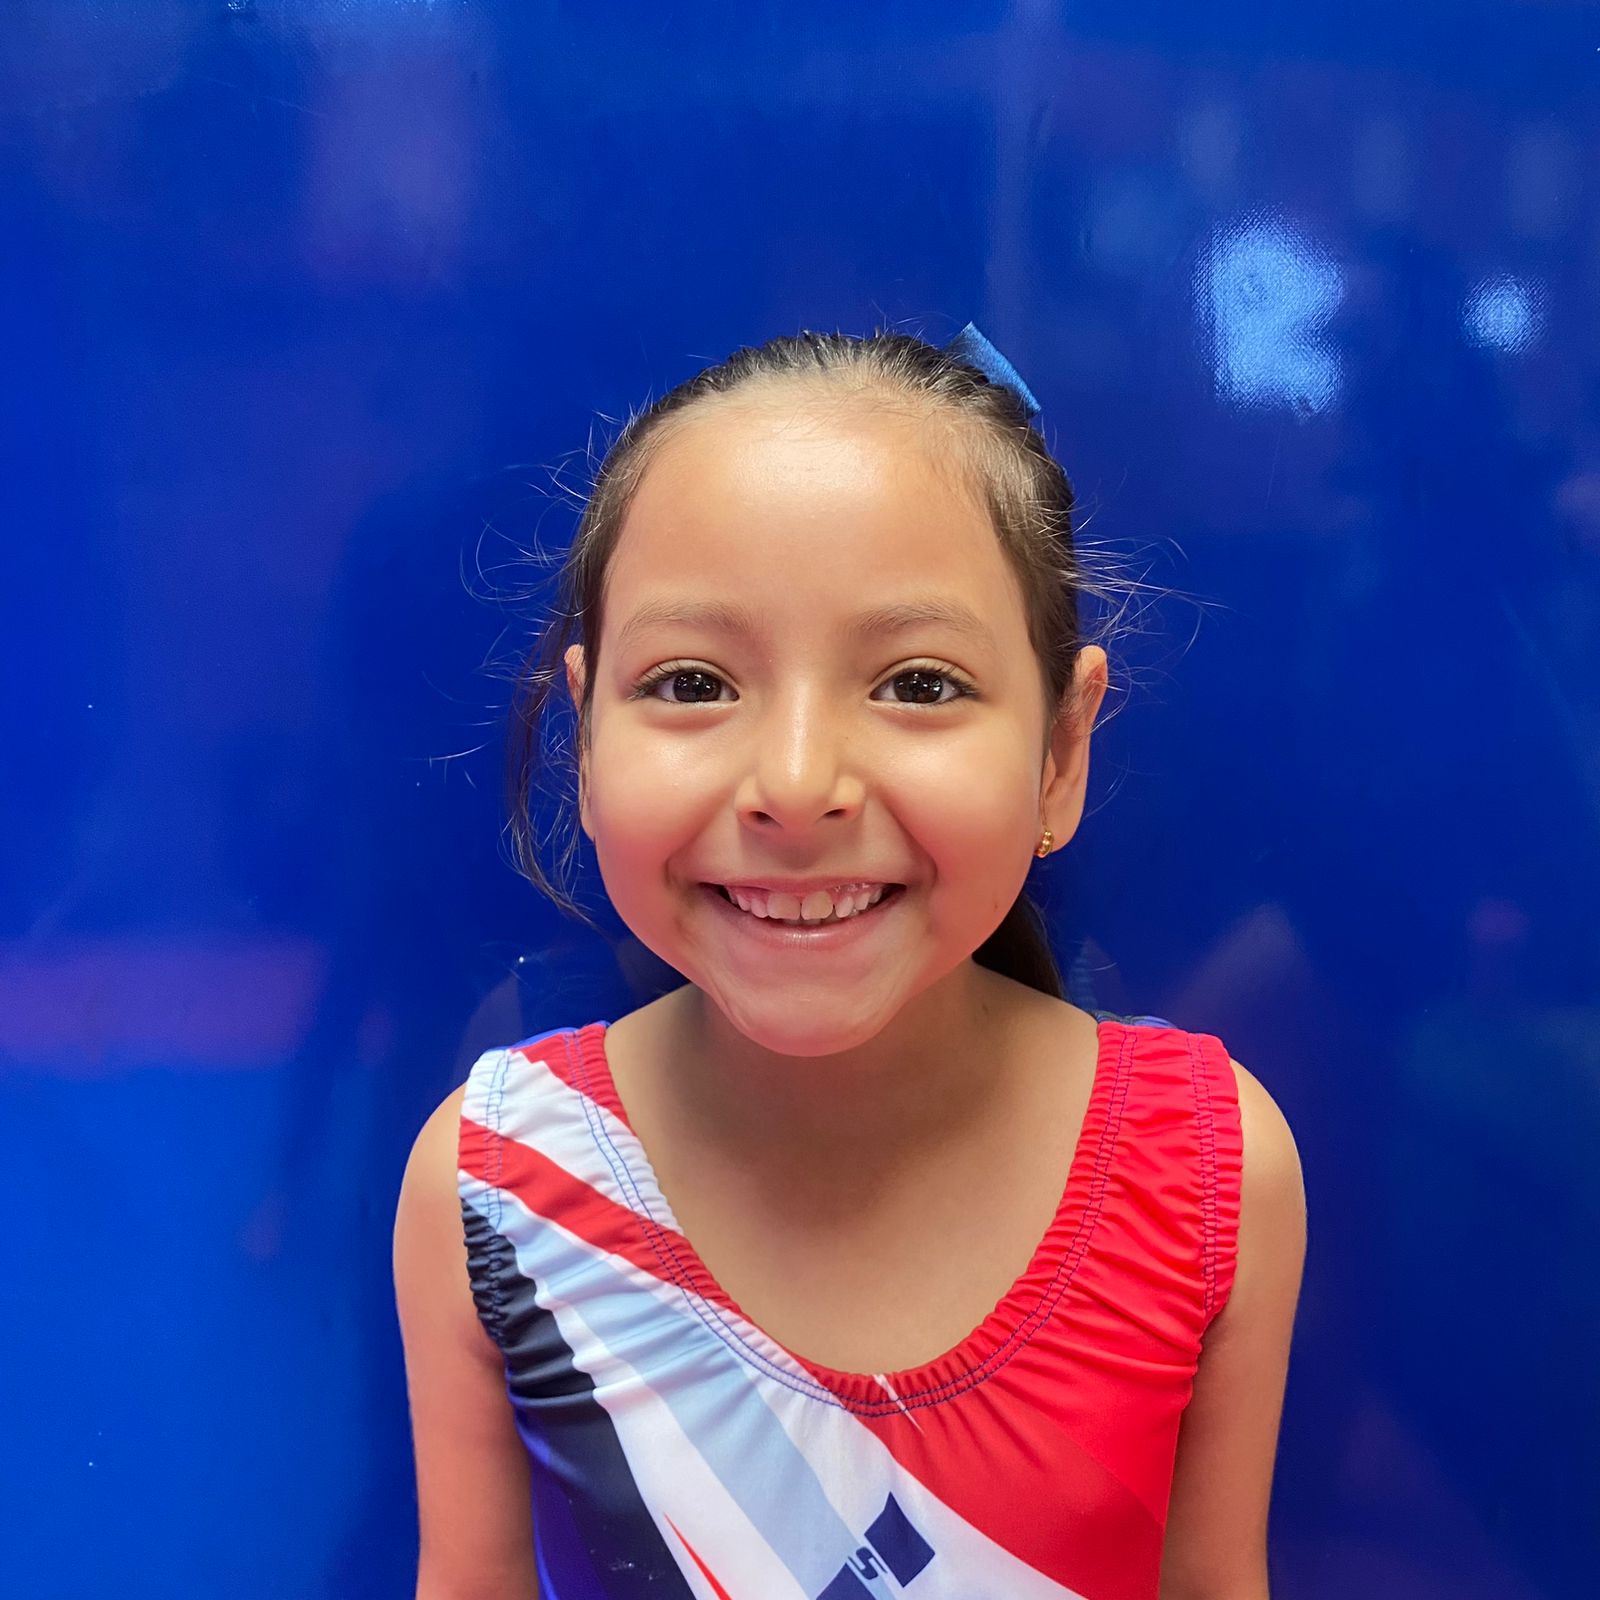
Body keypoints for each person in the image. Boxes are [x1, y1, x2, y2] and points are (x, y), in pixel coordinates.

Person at [392, 325, 1308, 1600]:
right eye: (693, 681)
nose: (795, 782)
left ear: (1060, 752)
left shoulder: (1215, 1173)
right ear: (586, 740)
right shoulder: (491, 1184)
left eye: (918, 684)